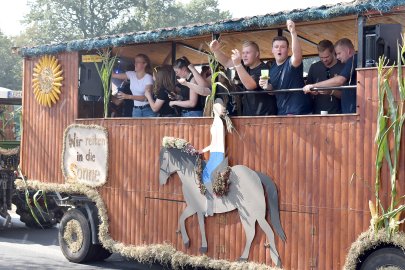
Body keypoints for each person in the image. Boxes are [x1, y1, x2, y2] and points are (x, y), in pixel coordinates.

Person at [209, 40, 277, 116]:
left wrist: (238, 65)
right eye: (243, 53)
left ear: (257, 54)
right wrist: (216, 51)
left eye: (247, 53)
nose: (244, 55)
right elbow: (227, 62)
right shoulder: (244, 65)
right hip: (248, 116)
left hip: (264, 117)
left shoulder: (265, 69)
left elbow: (250, 85)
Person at [259, 20, 312, 115]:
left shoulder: (291, 62)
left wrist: (293, 32)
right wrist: (266, 86)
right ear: (272, 50)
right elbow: (272, 91)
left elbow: (297, 55)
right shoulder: (271, 68)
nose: (279, 49)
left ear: (288, 50)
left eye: (282, 47)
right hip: (282, 113)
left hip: (300, 113)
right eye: (276, 47)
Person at [303, 38, 357, 113]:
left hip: (342, 111)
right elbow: (307, 91)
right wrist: (313, 90)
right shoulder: (314, 67)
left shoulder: (349, 62)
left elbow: (340, 81)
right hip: (318, 112)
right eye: (321, 57)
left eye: (339, 53)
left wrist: (317, 86)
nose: (324, 60)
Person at [201, 98, 233, 216]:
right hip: (215, 152)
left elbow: (215, 143)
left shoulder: (218, 123)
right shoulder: (216, 122)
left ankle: (211, 205)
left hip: (217, 153)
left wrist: (203, 150)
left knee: (207, 175)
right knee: (206, 175)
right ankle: (209, 205)